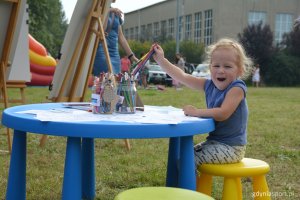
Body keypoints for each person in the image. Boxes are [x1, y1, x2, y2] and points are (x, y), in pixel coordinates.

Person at [152, 38, 253, 166]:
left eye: (227, 66)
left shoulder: (237, 88)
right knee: (183, 157)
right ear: (210, 68)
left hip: (232, 148)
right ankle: (185, 186)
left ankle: (192, 187)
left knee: (187, 161)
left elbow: (223, 113)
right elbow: (183, 77)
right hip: (213, 142)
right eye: (216, 65)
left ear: (240, 71)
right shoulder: (209, 85)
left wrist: (196, 112)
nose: (221, 70)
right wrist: (161, 60)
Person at [92, 2, 138, 76]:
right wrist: (108, 11)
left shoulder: (115, 12)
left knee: (116, 80)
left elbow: (120, 36)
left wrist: (131, 56)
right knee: (107, 80)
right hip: (101, 50)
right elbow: (102, 30)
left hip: (114, 53)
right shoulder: (98, 9)